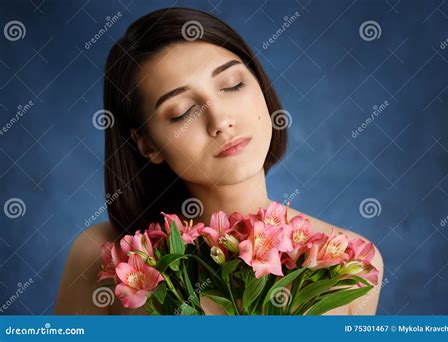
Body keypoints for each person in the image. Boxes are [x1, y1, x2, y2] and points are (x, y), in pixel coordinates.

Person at [55, 7, 383, 315]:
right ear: (148, 144)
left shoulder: (348, 261)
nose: (220, 120)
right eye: (182, 112)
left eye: (232, 85)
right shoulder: (106, 257)